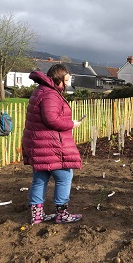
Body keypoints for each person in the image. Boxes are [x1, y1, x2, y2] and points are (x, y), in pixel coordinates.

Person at [22, 64, 83, 224]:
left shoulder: (42, 90)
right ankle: (62, 213)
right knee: (64, 176)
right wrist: (71, 124)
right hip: (50, 145)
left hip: (40, 144)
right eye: (67, 80)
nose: (68, 83)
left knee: (40, 178)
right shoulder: (50, 94)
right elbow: (52, 119)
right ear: (59, 79)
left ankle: (37, 215)